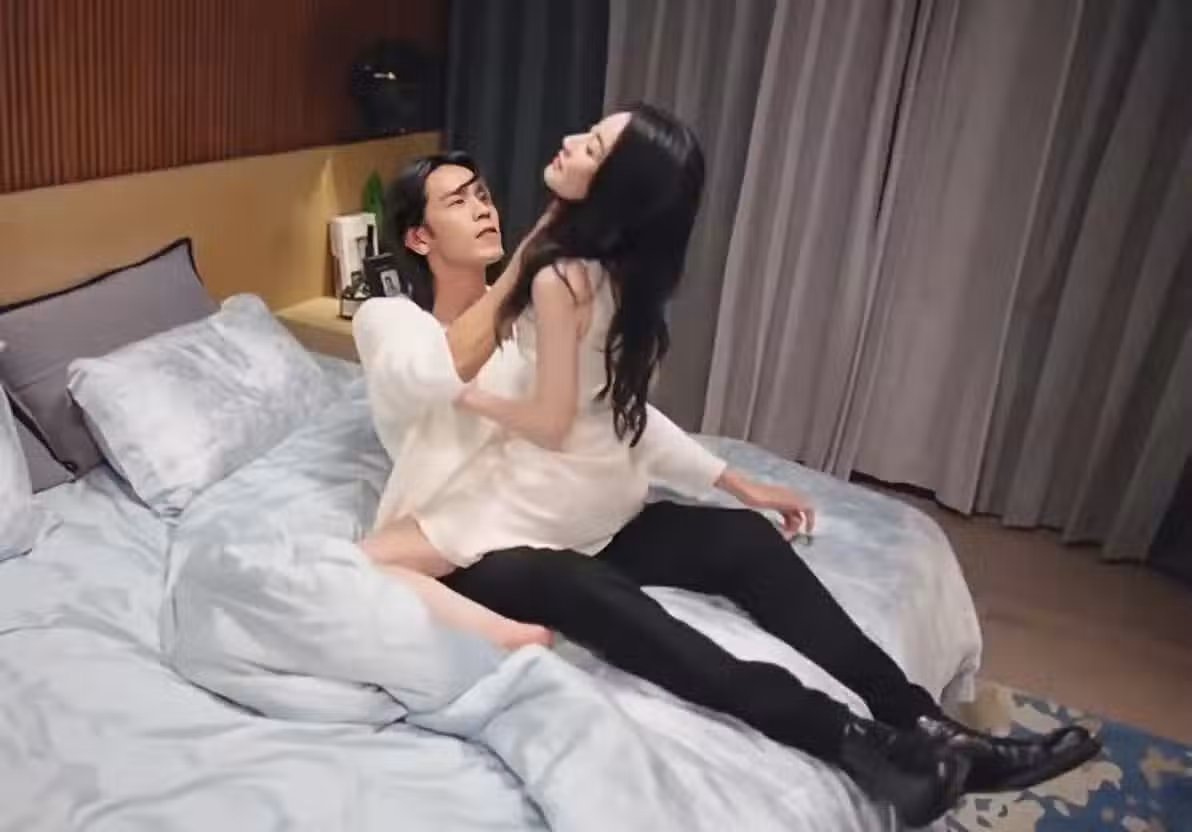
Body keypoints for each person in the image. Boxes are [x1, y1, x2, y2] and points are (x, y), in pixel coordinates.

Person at [352, 105, 1101, 828]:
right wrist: (540, 244)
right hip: (474, 540)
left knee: (739, 540)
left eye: (484, 193)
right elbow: (435, 374)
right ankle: (855, 742)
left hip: (561, 507)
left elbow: (601, 418)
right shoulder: (390, 320)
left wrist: (729, 478)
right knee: (603, 598)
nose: (484, 208)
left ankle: (927, 724)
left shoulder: (534, 304)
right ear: (419, 236)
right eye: (458, 201)